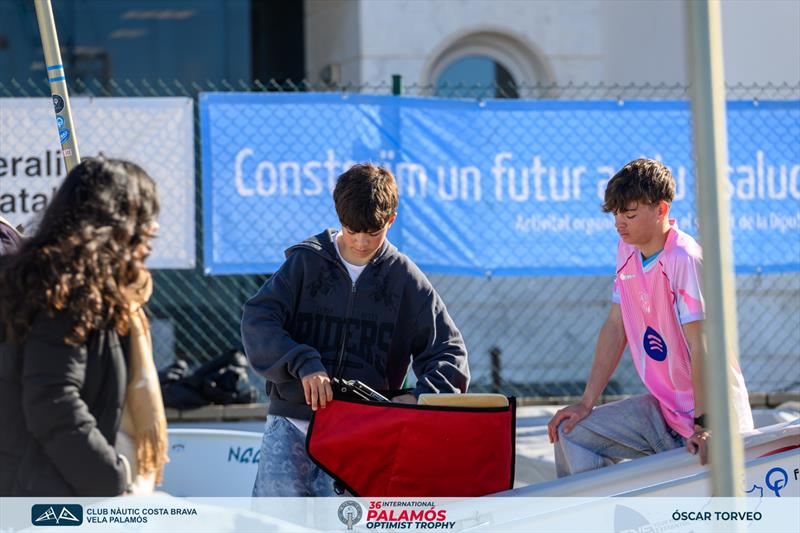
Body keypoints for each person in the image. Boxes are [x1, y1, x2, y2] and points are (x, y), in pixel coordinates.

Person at [242, 163, 470, 497]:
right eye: (352, 231)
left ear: (391, 220)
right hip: (291, 426)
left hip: (363, 433)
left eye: (374, 233)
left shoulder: (405, 278)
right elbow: (258, 319)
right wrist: (302, 362)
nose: (362, 242)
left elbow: (450, 354)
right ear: (339, 218)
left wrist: (418, 396)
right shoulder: (305, 264)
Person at [547, 158, 753, 477]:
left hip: (712, 421)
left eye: (629, 213)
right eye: (615, 213)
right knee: (572, 432)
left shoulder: (685, 258)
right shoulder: (626, 248)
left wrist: (705, 424)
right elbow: (616, 326)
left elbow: (702, 347)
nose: (620, 222)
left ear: (661, 209)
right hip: (664, 412)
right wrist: (586, 402)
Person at [0, 156, 162, 496]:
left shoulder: (50, 279)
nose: (151, 237)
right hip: (42, 496)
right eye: (145, 222)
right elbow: (53, 401)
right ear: (118, 224)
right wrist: (111, 480)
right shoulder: (63, 291)